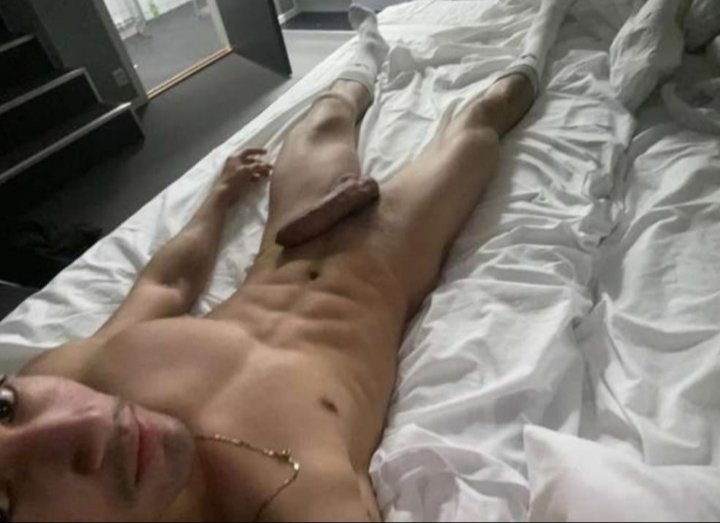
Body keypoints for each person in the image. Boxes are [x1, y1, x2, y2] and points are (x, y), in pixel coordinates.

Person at [3, 1, 573, 521]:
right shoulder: (300, 504)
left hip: (288, 240)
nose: (77, 424)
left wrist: (220, 198)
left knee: (326, 114)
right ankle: (548, 21)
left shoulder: (62, 378)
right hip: (389, 259)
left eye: (3, 409)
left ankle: (367, 44)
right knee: (481, 120)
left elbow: (166, 285)